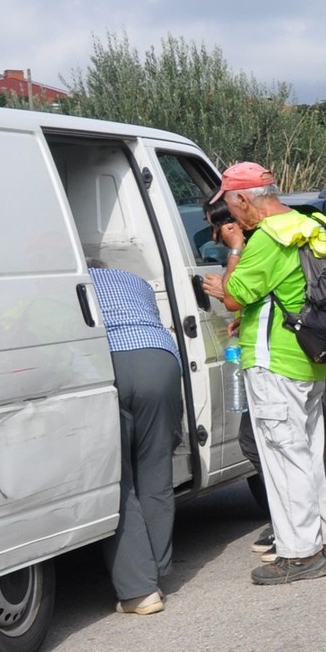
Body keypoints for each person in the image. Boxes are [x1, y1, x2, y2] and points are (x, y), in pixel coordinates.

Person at [210, 162, 326, 586]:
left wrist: (234, 255)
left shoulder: (268, 238)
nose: (233, 215)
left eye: (231, 205)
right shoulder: (309, 225)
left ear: (241, 198)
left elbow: (233, 296)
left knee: (284, 461)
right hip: (309, 358)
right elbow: (291, 290)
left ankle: (300, 554)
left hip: (274, 365)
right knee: (306, 455)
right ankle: (323, 543)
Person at [87, 261, 183, 615]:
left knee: (119, 481)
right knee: (156, 472)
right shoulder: (134, 280)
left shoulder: (70, 283)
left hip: (109, 363)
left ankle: (139, 591)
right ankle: (155, 574)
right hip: (158, 360)